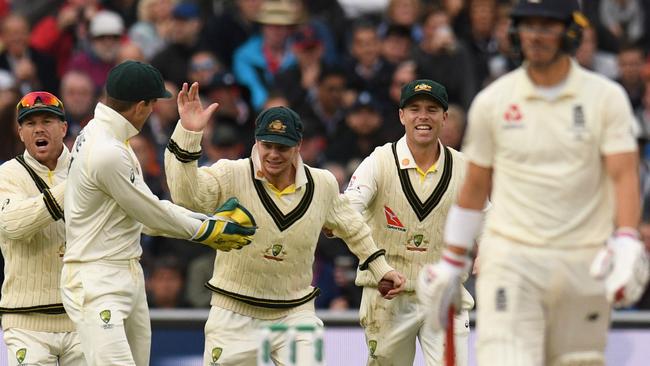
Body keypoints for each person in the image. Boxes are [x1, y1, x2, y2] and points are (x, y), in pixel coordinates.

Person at [417, 1, 650, 365]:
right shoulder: (494, 101)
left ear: (571, 33)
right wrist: (451, 260)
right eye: (528, 26)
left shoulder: (605, 98)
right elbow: (475, 187)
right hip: (513, 260)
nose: (536, 36)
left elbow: (624, 173)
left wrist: (626, 240)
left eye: (547, 26)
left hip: (582, 262)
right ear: (514, 32)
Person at [164, 83, 407, 365]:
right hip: (235, 312)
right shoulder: (231, 174)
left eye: (283, 147)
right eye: (267, 145)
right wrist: (189, 133)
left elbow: (353, 227)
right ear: (256, 142)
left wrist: (381, 269)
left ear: (298, 146)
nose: (274, 155)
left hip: (296, 313)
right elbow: (186, 196)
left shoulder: (322, 184)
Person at [61, 60, 257, 366]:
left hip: (125, 271)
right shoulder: (106, 151)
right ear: (140, 106)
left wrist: (210, 222)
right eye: (153, 104)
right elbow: (151, 214)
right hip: (96, 278)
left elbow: (144, 213)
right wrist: (209, 230)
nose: (153, 111)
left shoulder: (107, 137)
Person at [344, 80, 473, 366]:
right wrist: (376, 264)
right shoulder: (379, 161)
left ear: (445, 117)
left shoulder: (464, 167)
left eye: (432, 109)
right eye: (414, 109)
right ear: (402, 116)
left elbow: (488, 219)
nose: (423, 116)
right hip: (388, 297)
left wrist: (487, 250)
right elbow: (348, 210)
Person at [0, 91, 85, 365]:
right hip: (26, 321)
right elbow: (14, 224)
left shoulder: (88, 168)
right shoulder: (7, 174)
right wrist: (73, 185)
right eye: (29, 123)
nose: (39, 128)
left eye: (47, 120)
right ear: (20, 132)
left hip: (82, 316)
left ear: (63, 128)